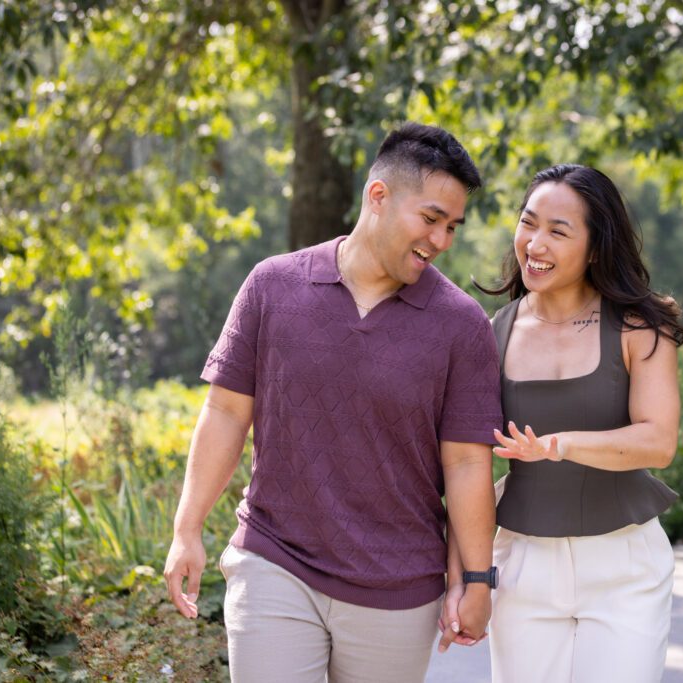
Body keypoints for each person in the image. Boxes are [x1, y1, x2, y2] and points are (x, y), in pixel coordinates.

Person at [163, 123, 503, 683]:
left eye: (452, 227)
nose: (441, 240)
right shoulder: (272, 286)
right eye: (431, 219)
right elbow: (225, 411)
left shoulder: (460, 324)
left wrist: (476, 580)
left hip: (397, 588)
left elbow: (467, 462)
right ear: (378, 196)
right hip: (275, 561)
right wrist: (187, 529)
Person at [449, 164, 683, 682]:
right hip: (523, 564)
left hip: (625, 565)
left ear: (596, 247)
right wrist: (466, 579)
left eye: (558, 231)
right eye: (528, 223)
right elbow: (466, 465)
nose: (535, 243)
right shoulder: (491, 334)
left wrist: (558, 445)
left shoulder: (640, 326)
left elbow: (658, 441)